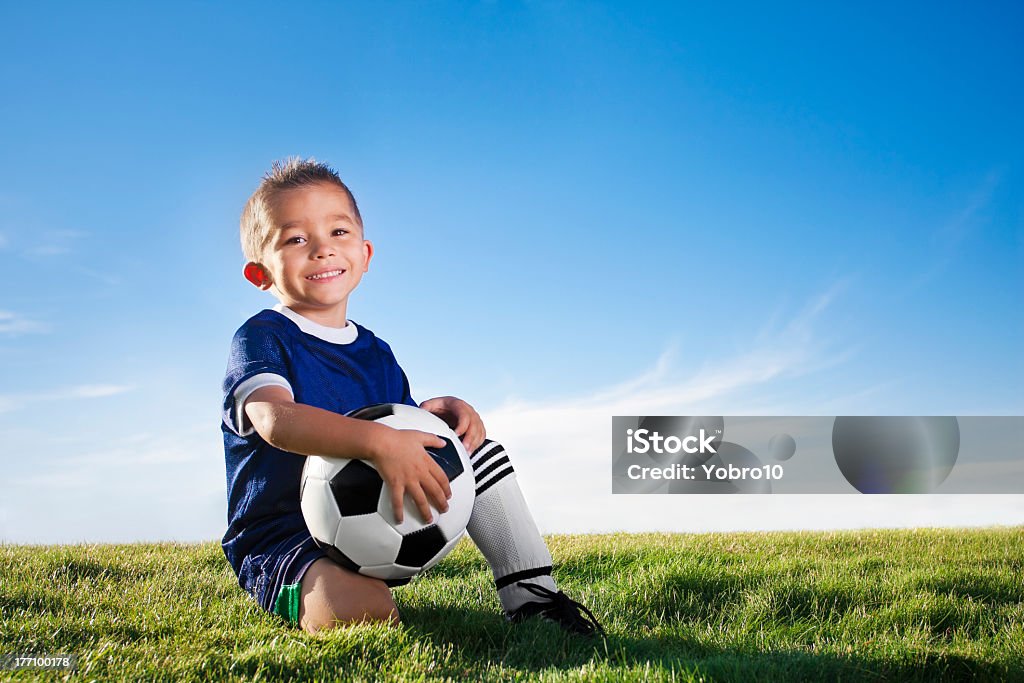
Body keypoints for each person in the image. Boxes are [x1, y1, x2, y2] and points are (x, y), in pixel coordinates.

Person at [221, 158, 603, 636]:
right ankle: (298, 591)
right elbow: (275, 420)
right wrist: (378, 443)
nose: (321, 249)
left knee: (470, 451)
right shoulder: (263, 337)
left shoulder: (375, 351)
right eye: (296, 239)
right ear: (260, 274)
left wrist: (439, 416)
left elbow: (399, 427)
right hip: (284, 536)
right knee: (366, 614)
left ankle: (531, 595)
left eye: (338, 232)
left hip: (371, 519)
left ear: (364, 254)